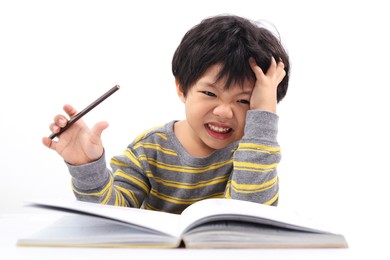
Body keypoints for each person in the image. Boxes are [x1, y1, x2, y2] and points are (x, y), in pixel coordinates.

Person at [42, 14, 290, 214]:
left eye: (245, 100)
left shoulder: (256, 154)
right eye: (210, 93)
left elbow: (252, 216)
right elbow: (108, 215)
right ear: (182, 88)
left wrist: (264, 117)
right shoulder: (150, 149)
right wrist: (87, 167)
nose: (224, 111)